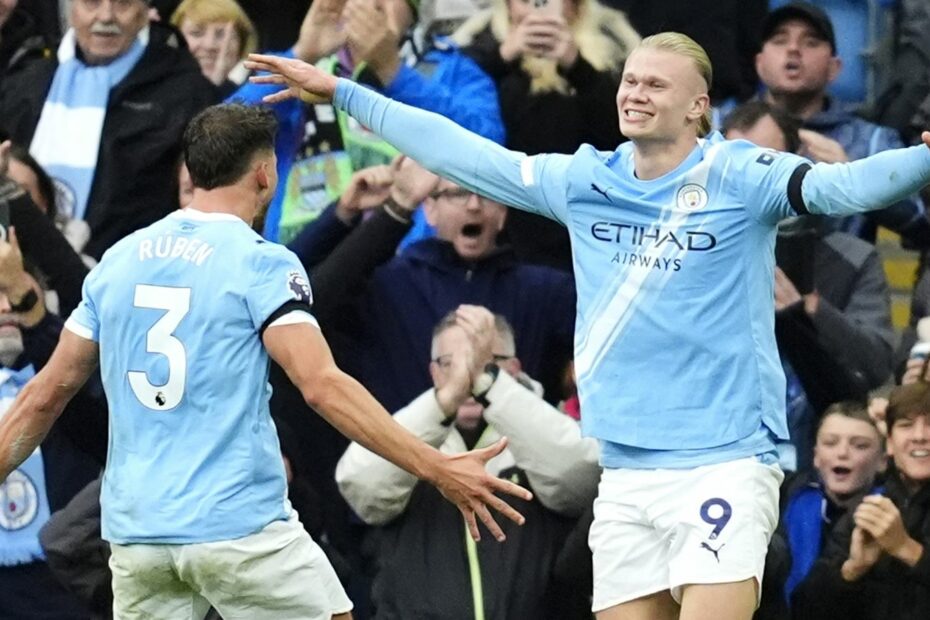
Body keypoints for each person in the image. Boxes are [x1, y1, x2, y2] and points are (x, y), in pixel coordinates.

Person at [247, 26, 930, 619]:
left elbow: (847, 188)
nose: (634, 92)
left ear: (699, 106)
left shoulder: (741, 175)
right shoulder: (582, 180)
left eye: (655, 84)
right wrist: (342, 92)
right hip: (626, 470)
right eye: (629, 80)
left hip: (722, 462)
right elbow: (462, 153)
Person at [0, 104, 531, 620]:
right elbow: (321, 386)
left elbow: (44, 394)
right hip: (236, 527)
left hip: (138, 537)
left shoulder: (119, 260)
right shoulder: (262, 262)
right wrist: (434, 465)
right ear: (265, 174)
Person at [336, 305, 599, 619]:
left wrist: (491, 385)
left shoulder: (546, 433)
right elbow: (361, 487)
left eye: (486, 361)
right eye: (449, 363)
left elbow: (582, 477)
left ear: (514, 368)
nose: (467, 374)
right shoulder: (410, 433)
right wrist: (446, 399)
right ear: (433, 372)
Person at [231, 0, 505, 244]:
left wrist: (393, 72)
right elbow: (227, 135)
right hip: (306, 264)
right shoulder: (303, 69)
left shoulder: (454, 69)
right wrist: (304, 52)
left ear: (412, 10)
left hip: (410, 267)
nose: (369, 5)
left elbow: (487, 150)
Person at [723, 100, 896, 472]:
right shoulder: (697, 251)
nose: (751, 181)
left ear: (796, 164)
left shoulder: (852, 258)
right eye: (736, 166)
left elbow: (879, 365)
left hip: (817, 457)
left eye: (765, 163)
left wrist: (813, 310)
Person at [0, 0, 216, 260]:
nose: (106, 16)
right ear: (69, 8)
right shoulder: (26, 80)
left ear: (145, 9)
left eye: (123, 3)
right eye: (92, 2)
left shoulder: (188, 93)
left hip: (135, 272)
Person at [451, 0, 639, 270]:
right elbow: (451, 107)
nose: (534, 10)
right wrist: (503, 56)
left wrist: (577, 67)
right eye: (525, 1)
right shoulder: (478, 40)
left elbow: (623, 133)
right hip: (498, 218)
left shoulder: (615, 43)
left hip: (582, 219)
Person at [755, 2, 930, 249]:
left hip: (842, 281)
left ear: (834, 68)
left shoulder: (872, 139)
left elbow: (921, 226)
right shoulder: (723, 129)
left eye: (811, 42)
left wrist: (856, 179)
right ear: (759, 64)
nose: (793, 49)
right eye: (780, 40)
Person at [792, 377, 930, 620]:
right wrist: (852, 571)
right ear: (889, 444)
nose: (919, 436)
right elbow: (803, 607)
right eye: (906, 425)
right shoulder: (868, 510)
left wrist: (907, 550)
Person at [780, 401, 886, 601]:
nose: (842, 453)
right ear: (816, 456)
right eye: (830, 443)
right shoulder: (791, 496)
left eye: (860, 445)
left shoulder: (897, 509)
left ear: (883, 460)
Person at [170, 0, 258, 97]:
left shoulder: (263, 93)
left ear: (242, 43)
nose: (209, 45)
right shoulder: (157, 90)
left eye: (222, 34)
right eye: (196, 33)